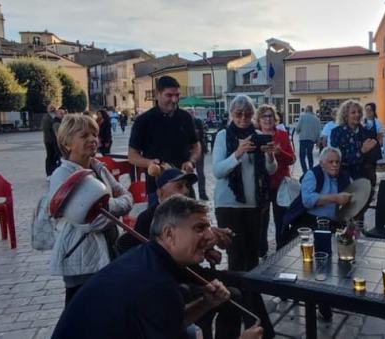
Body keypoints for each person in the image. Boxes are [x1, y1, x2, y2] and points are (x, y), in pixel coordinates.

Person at [52, 196, 264, 339]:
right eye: (199, 228)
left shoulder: (146, 257)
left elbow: (166, 323)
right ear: (168, 234)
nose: (209, 236)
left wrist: (205, 304)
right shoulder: (158, 284)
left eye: (208, 227)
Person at [48, 114, 133, 306]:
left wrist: (106, 206)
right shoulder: (62, 175)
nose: (93, 140)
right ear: (67, 143)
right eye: (84, 135)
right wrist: (115, 207)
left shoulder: (99, 167)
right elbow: (93, 222)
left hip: (110, 251)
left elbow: (127, 197)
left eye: (94, 134)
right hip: (81, 260)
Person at [212, 95, 277, 271]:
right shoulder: (223, 136)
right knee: (236, 257)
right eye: (238, 114)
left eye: (248, 114)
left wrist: (270, 155)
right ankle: (239, 297)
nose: (243, 118)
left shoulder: (258, 136)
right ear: (231, 113)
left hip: (254, 205)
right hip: (228, 205)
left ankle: (252, 297)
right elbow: (218, 171)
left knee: (252, 257)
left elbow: (271, 170)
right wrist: (237, 154)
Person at [129, 76, 201, 199]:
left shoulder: (186, 117)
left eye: (177, 95)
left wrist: (191, 161)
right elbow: (132, 156)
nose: (174, 100)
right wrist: (149, 163)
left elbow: (196, 146)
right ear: (157, 94)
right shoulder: (143, 120)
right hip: (157, 188)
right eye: (169, 95)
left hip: (185, 186)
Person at [254, 104, 296, 254]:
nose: (267, 119)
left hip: (281, 185)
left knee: (281, 220)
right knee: (261, 221)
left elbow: (292, 159)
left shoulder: (282, 135)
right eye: (264, 116)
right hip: (261, 185)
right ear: (258, 119)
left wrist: (280, 152)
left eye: (270, 115)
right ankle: (261, 251)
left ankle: (281, 249)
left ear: (275, 118)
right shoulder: (255, 136)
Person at [329, 100, 377, 180]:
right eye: (353, 112)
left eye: (359, 112)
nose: (357, 115)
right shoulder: (337, 132)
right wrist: (361, 151)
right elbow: (338, 159)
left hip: (363, 178)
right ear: (346, 115)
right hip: (343, 177)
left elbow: (371, 161)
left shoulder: (366, 133)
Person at [361, 102, 384, 187]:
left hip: (373, 150)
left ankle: (372, 186)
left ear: (374, 111)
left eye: (370, 110)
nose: (368, 112)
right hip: (363, 149)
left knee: (371, 170)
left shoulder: (377, 123)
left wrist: (376, 147)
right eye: (366, 110)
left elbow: (379, 137)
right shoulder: (362, 122)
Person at [189, 109, 210, 200]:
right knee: (189, 172)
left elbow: (200, 134)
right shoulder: (184, 122)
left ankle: (202, 193)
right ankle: (191, 193)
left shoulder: (198, 121)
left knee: (200, 172)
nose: (190, 115)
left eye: (191, 113)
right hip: (188, 150)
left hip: (199, 149)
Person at [295, 105, 322, 173]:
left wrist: (298, 131)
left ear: (306, 110)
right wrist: (318, 141)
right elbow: (319, 131)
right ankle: (310, 170)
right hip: (311, 140)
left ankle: (305, 171)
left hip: (303, 139)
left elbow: (297, 128)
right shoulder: (316, 119)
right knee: (310, 155)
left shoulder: (302, 117)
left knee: (302, 156)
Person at [41, 105, 61, 178]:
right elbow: (47, 130)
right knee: (50, 156)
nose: (53, 109)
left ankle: (53, 171)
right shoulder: (46, 118)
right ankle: (49, 173)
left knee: (55, 156)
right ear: (47, 110)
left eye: (54, 108)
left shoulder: (54, 117)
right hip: (49, 141)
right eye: (51, 108)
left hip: (54, 141)